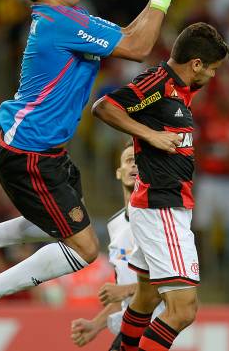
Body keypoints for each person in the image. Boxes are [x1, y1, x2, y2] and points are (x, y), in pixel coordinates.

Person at [0, 0, 198, 341]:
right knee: (83, 248)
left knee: (63, 223)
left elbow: (131, 38)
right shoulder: (58, 25)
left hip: (44, 150)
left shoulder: (68, 19)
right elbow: (137, 49)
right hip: (29, 152)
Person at [92, 22, 228, 351]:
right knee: (183, 311)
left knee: (148, 295)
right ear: (196, 64)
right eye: (210, 68)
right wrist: (150, 135)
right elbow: (104, 107)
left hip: (159, 206)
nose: (212, 76)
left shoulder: (181, 89)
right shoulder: (159, 82)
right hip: (162, 206)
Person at [70, 142, 165, 350]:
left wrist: (126, 290)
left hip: (153, 331)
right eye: (130, 161)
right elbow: (121, 293)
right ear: (118, 172)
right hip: (128, 329)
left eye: (141, 162)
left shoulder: (160, 222)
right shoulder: (115, 225)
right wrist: (95, 325)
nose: (135, 167)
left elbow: (170, 283)